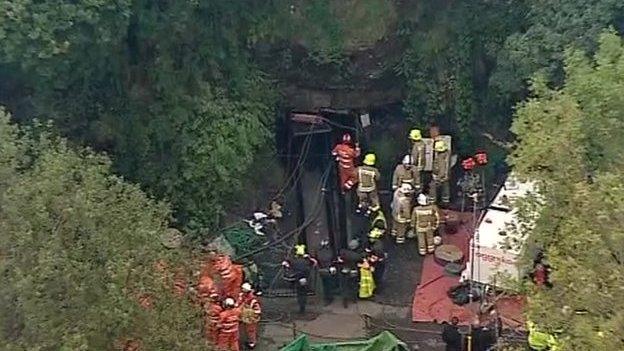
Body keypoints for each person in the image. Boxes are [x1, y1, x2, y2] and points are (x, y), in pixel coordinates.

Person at [282, 244, 318, 314]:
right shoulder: (306, 261)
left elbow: (288, 265)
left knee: (300, 293)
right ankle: (303, 307)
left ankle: (301, 307)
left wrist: (286, 264)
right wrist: (309, 258)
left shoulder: (295, 261)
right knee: (303, 293)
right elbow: (314, 263)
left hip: (298, 278)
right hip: (305, 278)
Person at [338, 239, 364, 308]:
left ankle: (345, 301)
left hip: (345, 271)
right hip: (353, 271)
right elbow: (361, 261)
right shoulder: (357, 255)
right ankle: (354, 299)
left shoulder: (343, 252)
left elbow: (340, 260)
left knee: (345, 286)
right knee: (353, 286)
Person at [239, 283, 261, 349]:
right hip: (243, 316)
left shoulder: (253, 300)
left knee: (251, 331)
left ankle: (252, 343)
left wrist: (251, 314)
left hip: (250, 318)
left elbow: (258, 311)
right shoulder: (242, 296)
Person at [317, 239, 338, 305]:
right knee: (327, 284)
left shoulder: (322, 251)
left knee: (327, 284)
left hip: (325, 269)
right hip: (326, 269)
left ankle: (328, 298)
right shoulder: (328, 251)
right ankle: (329, 297)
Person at [431, 139, 451, 206]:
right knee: (445, 189)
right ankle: (445, 201)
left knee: (433, 187)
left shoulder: (441, 156)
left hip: (440, 176)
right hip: (446, 176)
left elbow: (442, 168)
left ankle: (433, 201)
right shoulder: (447, 154)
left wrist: (438, 178)